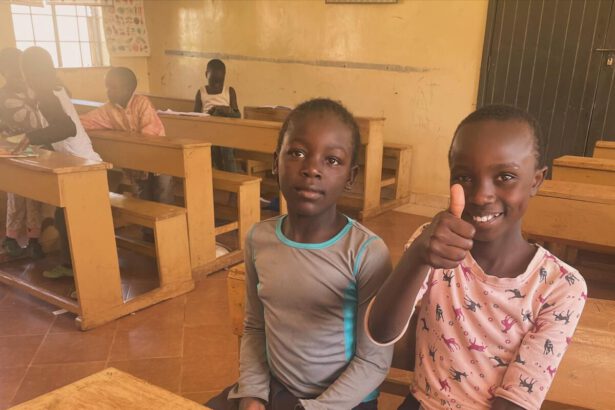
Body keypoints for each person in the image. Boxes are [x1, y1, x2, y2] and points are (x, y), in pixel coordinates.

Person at [367, 105, 587, 410]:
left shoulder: (560, 286)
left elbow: (516, 402)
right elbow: (380, 332)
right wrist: (418, 256)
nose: (482, 195)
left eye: (505, 176)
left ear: (536, 180)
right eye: (464, 177)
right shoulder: (431, 248)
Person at [206, 99, 393, 410]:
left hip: (344, 403)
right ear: (275, 161)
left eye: (332, 160)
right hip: (278, 391)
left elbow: (373, 362)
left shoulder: (366, 253)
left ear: (351, 176)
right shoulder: (259, 239)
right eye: (297, 153)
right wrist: (253, 394)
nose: (312, 169)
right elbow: (255, 327)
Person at [17, 46, 102, 279]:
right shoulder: (53, 90)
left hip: (84, 165)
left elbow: (66, 128)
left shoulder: (48, 95)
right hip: (76, 162)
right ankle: (71, 266)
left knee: (76, 222)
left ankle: (91, 275)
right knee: (63, 219)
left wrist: (32, 137)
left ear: (28, 72)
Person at [80, 67, 174, 213]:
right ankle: (146, 226)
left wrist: (136, 152)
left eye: (113, 87)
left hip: (158, 156)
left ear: (128, 89)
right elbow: (86, 121)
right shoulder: (108, 109)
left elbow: (150, 133)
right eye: (107, 87)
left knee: (162, 193)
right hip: (136, 161)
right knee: (143, 196)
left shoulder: (142, 103)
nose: (108, 91)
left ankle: (169, 224)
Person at [0, 47, 43, 259]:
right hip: (12, 151)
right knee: (15, 195)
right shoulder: (3, 95)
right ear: (3, 72)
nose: (18, 74)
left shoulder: (33, 91)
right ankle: (11, 237)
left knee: (34, 196)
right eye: (11, 70)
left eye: (20, 69)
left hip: (36, 149)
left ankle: (34, 238)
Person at [194, 59, 240, 172]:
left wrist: (227, 110)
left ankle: (231, 177)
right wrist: (208, 114)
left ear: (225, 77)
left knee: (227, 152)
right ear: (206, 74)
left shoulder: (229, 91)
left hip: (226, 130)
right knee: (212, 152)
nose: (217, 85)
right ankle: (214, 174)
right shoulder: (201, 92)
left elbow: (238, 115)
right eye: (214, 81)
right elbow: (194, 117)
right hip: (208, 130)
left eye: (220, 81)